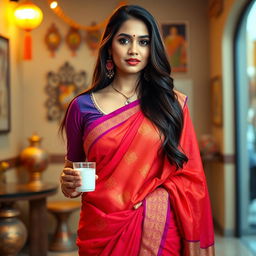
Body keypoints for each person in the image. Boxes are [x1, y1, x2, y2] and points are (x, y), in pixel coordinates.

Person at [59, 5, 215, 256]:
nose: (134, 50)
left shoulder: (172, 105)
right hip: (100, 230)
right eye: (124, 40)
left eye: (143, 42)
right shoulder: (81, 107)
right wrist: (70, 184)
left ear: (151, 49)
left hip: (161, 228)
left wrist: (153, 203)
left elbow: (191, 177)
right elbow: (74, 174)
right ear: (110, 46)